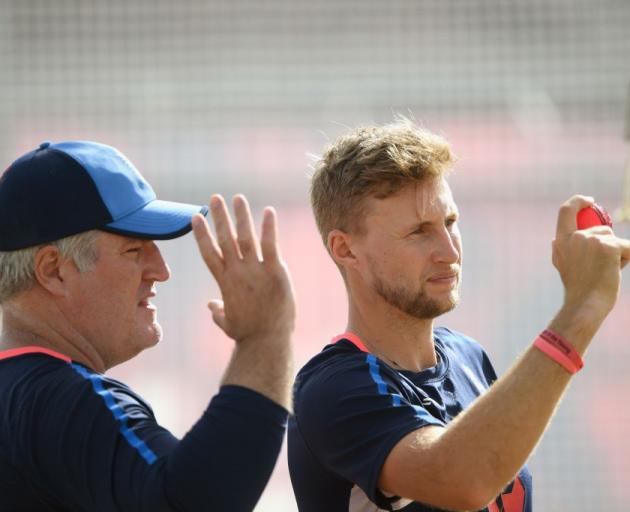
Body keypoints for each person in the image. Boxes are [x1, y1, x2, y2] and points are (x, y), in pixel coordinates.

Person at [287, 119, 630, 512]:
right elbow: (462, 479)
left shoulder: (469, 355)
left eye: (451, 223)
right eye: (419, 231)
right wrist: (580, 310)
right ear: (345, 250)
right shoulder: (333, 387)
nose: (449, 251)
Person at [0, 140, 295, 511]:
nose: (161, 271)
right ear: (54, 271)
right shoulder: (61, 399)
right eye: (134, 250)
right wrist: (264, 337)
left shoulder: (26, 394)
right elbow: (189, 501)